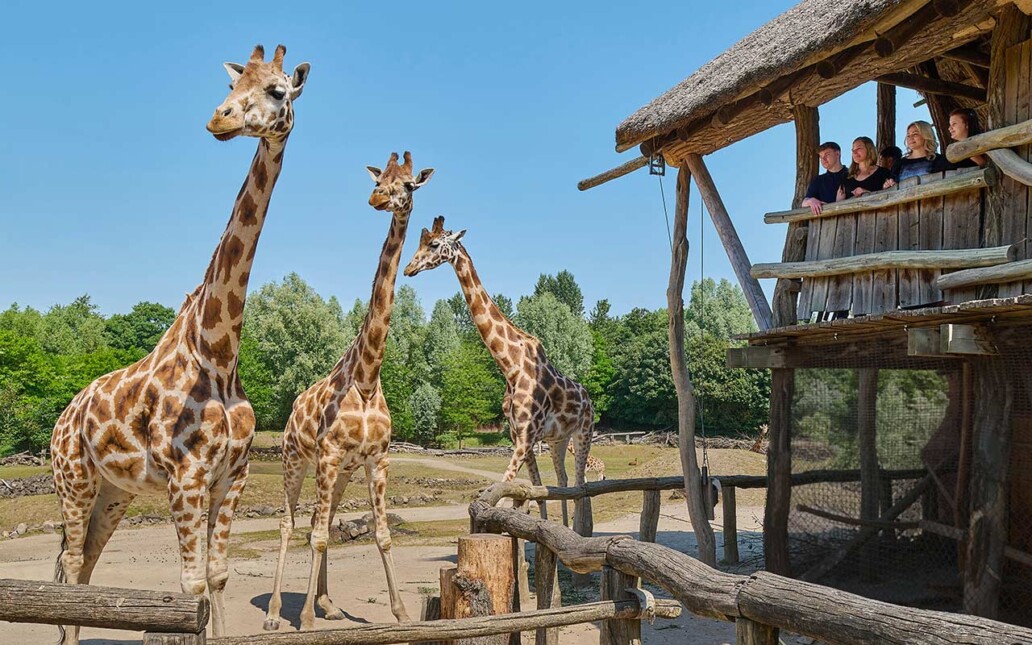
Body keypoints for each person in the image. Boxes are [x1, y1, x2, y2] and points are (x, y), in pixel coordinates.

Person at [884, 121, 947, 187]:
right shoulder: (899, 163)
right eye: (908, 135)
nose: (910, 138)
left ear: (926, 135)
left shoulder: (939, 160)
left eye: (915, 134)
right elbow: (892, 185)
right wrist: (887, 185)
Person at [802, 142, 848, 215]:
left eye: (827, 155)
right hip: (825, 224)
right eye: (821, 156)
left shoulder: (852, 175)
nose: (823, 159)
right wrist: (811, 201)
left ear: (837, 154)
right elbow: (804, 203)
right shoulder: (818, 180)